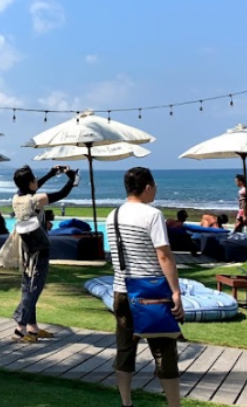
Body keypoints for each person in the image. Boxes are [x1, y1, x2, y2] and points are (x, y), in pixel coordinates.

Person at [107, 167, 184, 407]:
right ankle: (174, 404)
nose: (156, 190)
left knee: (125, 350)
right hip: (151, 293)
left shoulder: (113, 215)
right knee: (164, 352)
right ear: (147, 187)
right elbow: (164, 256)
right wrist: (176, 291)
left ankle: (126, 402)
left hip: (121, 290)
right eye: (155, 186)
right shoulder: (152, 215)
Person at [0, 164, 77, 343]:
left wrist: (50, 174)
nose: (36, 181)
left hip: (25, 248)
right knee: (34, 288)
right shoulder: (36, 200)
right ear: (30, 183)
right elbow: (62, 194)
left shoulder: (17, 198)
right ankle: (20, 328)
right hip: (39, 248)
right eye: (34, 178)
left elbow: (32, 187)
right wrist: (72, 179)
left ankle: (32, 328)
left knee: (28, 285)